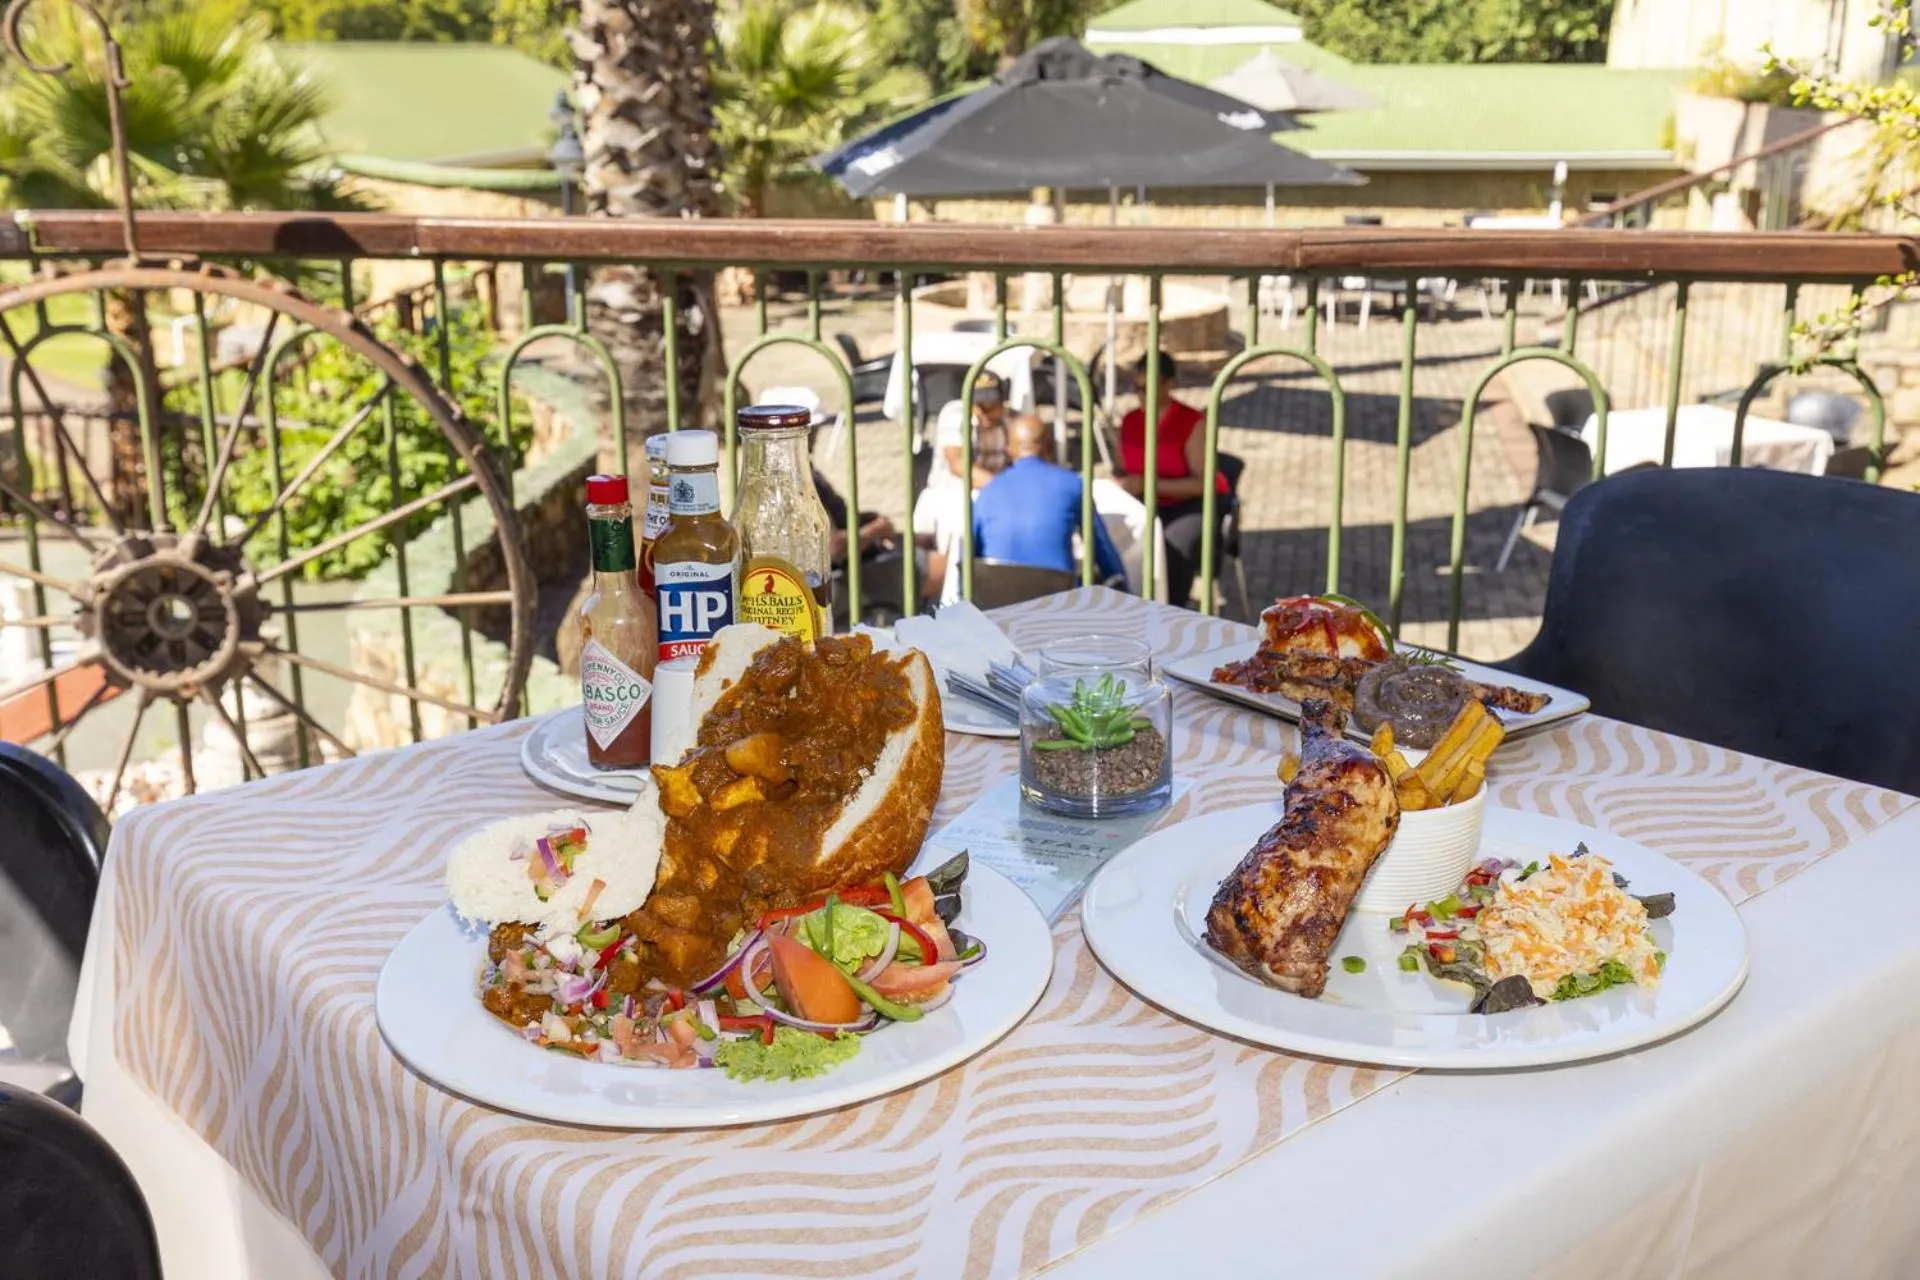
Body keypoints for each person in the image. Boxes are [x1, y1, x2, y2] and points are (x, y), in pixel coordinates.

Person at [1115, 350, 1239, 608]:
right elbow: (1122, 469)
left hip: (1190, 503)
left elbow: (1202, 483)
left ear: (1168, 384)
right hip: (1143, 502)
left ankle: (1170, 609)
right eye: (1136, 388)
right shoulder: (1129, 421)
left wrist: (1148, 484)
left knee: (1170, 547)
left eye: (1147, 387)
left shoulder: (1191, 422)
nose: (1141, 394)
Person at [971, 414, 1126, 583]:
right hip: (1057, 601)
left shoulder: (987, 493)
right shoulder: (1073, 484)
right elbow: (1103, 552)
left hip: (998, 600)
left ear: (1008, 450)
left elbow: (969, 559)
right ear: (1050, 446)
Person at [912, 369, 1010, 552]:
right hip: (952, 495)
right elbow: (958, 464)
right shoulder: (955, 415)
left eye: (991, 405)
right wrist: (1005, 487)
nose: (984, 412)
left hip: (995, 497)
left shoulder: (1010, 420)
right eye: (979, 405)